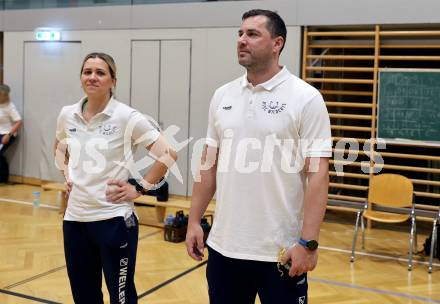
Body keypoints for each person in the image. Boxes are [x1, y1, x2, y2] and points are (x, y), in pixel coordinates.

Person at [185, 9, 331, 304]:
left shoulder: (306, 98)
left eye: (252, 34)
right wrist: (194, 220)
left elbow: (318, 174)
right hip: (224, 249)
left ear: (277, 43)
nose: (242, 40)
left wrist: (308, 242)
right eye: (240, 34)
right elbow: (208, 164)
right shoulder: (222, 96)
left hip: (281, 252)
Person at [54, 52, 177, 304]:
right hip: (75, 220)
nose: (92, 77)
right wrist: (66, 175)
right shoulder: (68, 114)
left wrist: (139, 188)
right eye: (87, 72)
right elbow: (59, 147)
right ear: (81, 78)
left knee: (121, 298)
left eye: (100, 72)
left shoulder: (126, 116)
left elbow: (168, 153)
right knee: (84, 296)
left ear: (113, 80)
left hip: (114, 221)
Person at [0, 84, 22, 183]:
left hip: (7, 134)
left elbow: (18, 121)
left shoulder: (10, 107)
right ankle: (4, 178)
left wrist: (8, 135)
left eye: (4, 95)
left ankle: (3, 178)